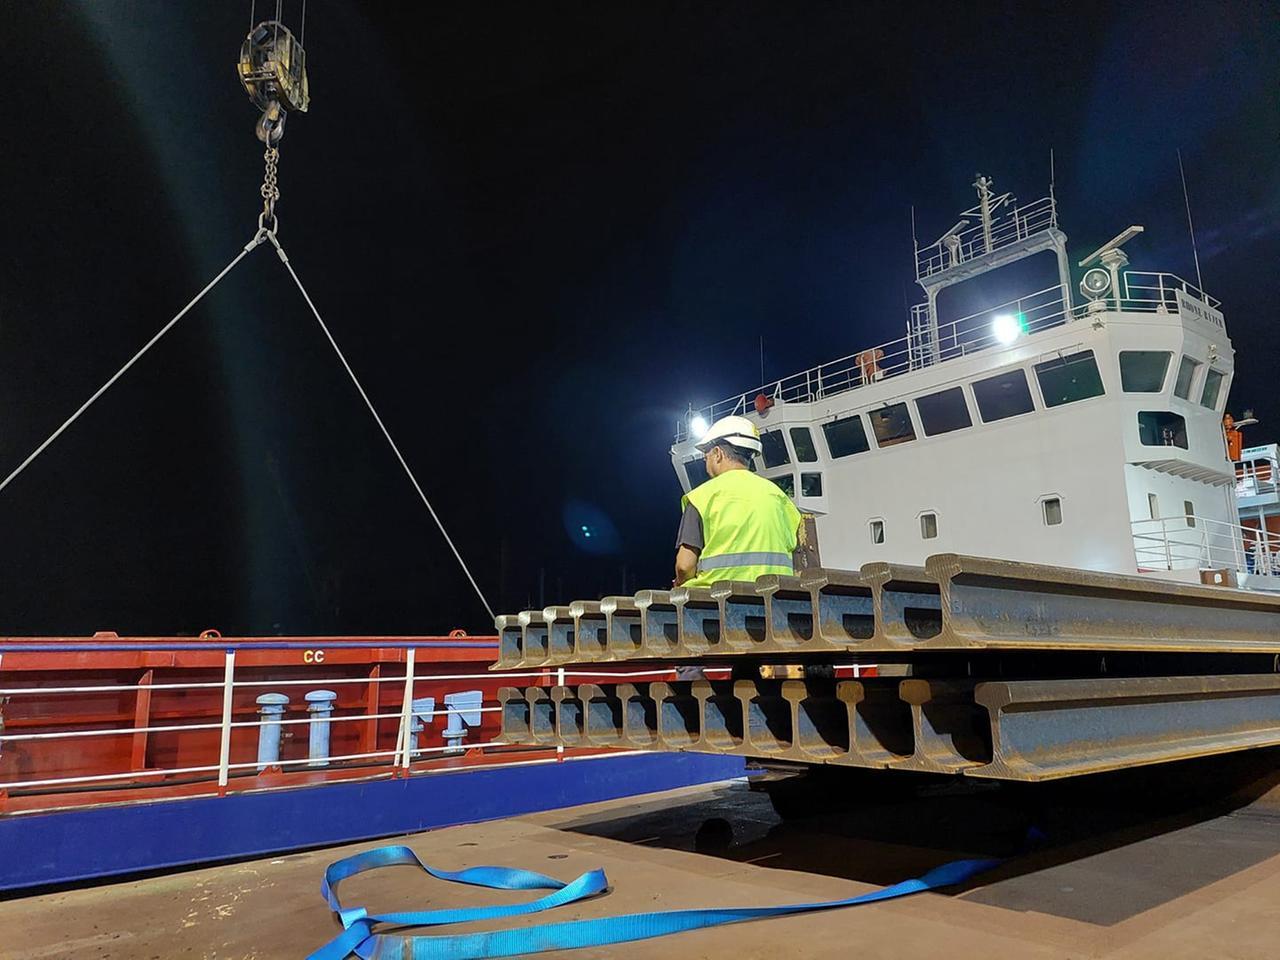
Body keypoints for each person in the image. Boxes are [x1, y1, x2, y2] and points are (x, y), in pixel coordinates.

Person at [674, 415, 803, 589]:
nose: (706, 463)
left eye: (706, 457)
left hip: (717, 598)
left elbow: (684, 566)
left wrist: (680, 583)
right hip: (775, 597)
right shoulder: (779, 497)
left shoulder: (701, 497)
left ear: (718, 454)